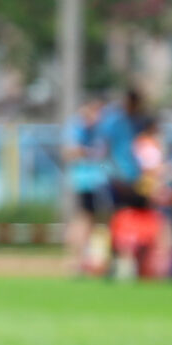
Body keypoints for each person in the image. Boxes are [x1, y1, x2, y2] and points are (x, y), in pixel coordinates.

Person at [65, 98, 111, 278]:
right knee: (84, 219)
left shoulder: (103, 128)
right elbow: (70, 152)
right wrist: (87, 151)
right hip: (85, 181)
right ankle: (76, 261)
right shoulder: (77, 126)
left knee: (101, 221)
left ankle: (97, 260)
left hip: (101, 180)